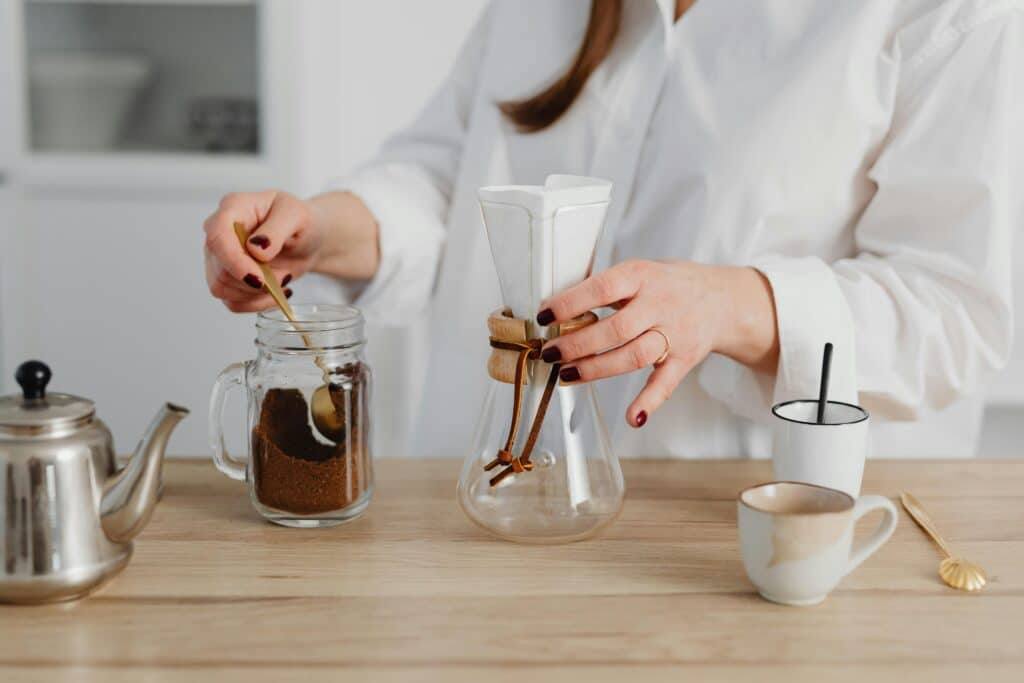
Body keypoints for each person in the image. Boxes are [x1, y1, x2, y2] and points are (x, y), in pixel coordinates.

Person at [203, 0, 1020, 458]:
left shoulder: (943, 12)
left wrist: (734, 305)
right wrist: (321, 229)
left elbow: (956, 313)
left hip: (730, 552)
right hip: (486, 520)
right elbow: (451, 180)